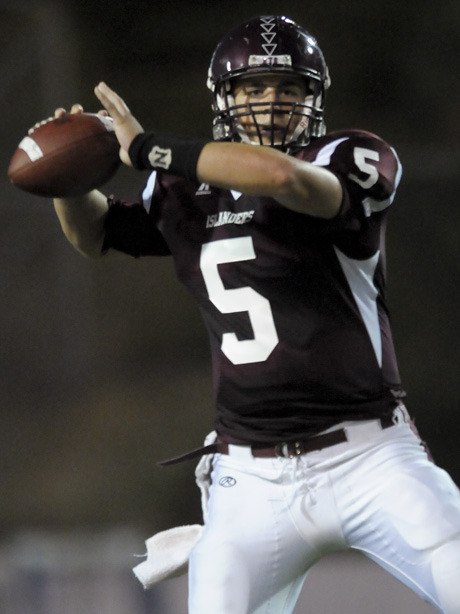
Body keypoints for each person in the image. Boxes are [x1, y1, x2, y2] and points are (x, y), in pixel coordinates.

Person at [48, 15, 460, 614]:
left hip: (371, 458)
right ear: (225, 100)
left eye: (289, 90)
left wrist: (144, 147)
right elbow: (100, 233)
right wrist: (65, 177)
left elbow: (281, 177)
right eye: (254, 89)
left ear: (313, 100)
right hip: (251, 480)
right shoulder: (183, 187)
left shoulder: (349, 153)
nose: (272, 104)